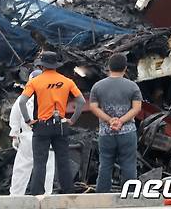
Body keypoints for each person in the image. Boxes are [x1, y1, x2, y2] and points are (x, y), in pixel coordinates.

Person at [18, 51, 85, 195]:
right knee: (63, 161)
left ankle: (37, 193)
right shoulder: (67, 81)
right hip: (61, 125)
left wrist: (28, 120)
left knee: (40, 162)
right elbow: (81, 101)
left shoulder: (35, 82)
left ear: (41, 66)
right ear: (55, 66)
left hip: (42, 126)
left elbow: (22, 102)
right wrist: (72, 119)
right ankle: (68, 192)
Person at [89, 53, 142, 193]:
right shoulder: (133, 86)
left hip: (106, 133)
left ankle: (102, 197)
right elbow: (137, 108)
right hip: (127, 132)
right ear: (125, 68)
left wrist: (109, 120)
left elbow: (93, 107)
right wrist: (121, 121)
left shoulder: (97, 86)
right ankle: (129, 195)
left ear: (109, 68)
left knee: (105, 164)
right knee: (129, 165)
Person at [9, 67, 55, 195]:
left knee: (22, 168)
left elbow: (14, 117)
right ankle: (45, 195)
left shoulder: (23, 98)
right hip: (45, 138)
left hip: (27, 138)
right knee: (46, 167)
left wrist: (14, 134)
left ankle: (15, 196)